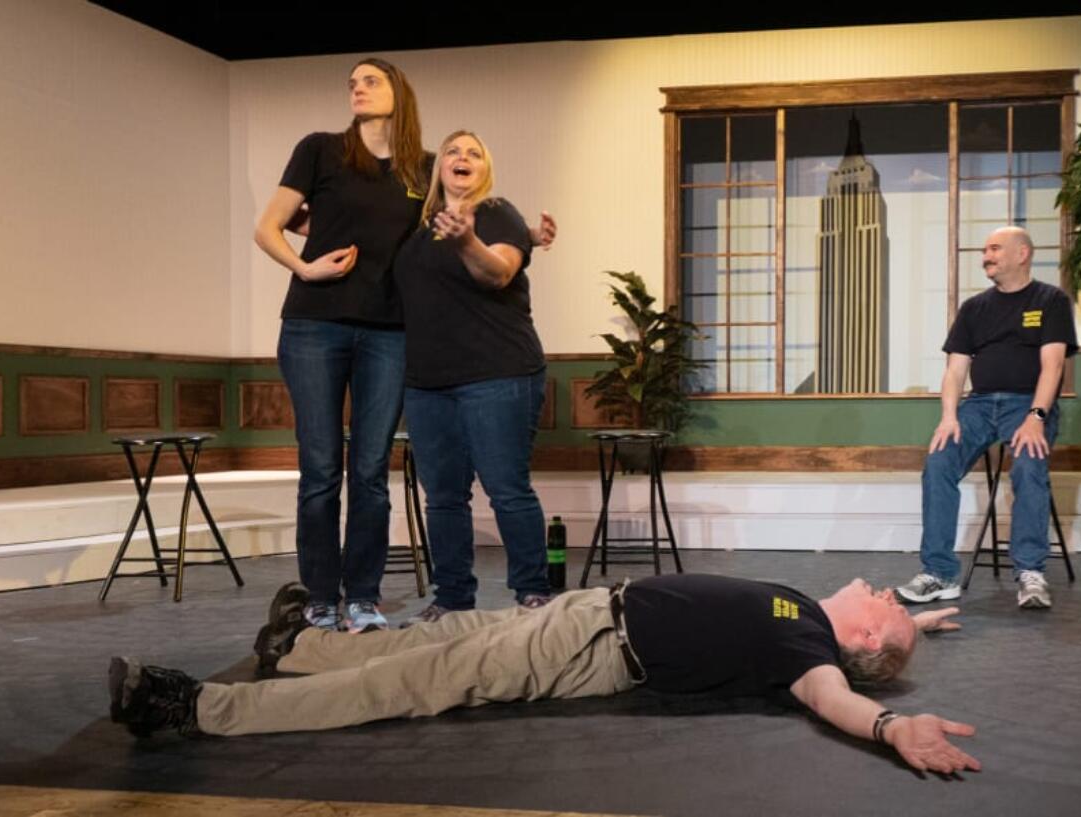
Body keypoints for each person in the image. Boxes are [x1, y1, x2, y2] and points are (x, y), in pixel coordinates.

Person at [109, 574, 978, 774]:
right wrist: (921, 624)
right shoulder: (811, 607)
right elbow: (887, 631)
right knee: (432, 637)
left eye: (885, 600)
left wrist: (891, 721)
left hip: (589, 649)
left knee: (418, 678)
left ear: (866, 633)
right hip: (586, 608)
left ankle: (196, 706)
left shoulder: (812, 652)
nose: (876, 584)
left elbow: (837, 697)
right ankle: (296, 648)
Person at [253, 61, 554, 633]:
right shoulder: (324, 151)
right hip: (324, 329)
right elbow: (286, 223)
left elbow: (488, 238)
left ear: (400, 94)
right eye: (353, 82)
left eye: (372, 80)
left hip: (401, 342)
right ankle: (324, 594)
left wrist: (525, 234)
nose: (358, 89)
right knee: (323, 470)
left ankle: (365, 596)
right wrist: (305, 265)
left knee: (371, 472)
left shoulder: (428, 172)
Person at [391, 130, 552, 621]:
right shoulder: (416, 229)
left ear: (485, 169)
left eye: (474, 153)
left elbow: (498, 273)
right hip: (427, 382)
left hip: (498, 373)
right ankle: (453, 596)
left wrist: (468, 240)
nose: (462, 158)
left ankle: (532, 591)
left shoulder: (497, 211)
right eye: (453, 152)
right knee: (442, 497)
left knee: (506, 487)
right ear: (438, 168)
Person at [897, 226, 1078, 609]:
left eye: (995, 249)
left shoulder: (1051, 300)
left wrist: (1036, 416)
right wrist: (949, 417)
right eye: (984, 250)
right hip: (977, 406)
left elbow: (1053, 365)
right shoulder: (974, 308)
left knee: (1028, 466)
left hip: (1026, 403)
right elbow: (955, 370)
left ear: (1022, 253)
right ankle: (939, 573)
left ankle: (1030, 572)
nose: (986, 256)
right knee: (938, 463)